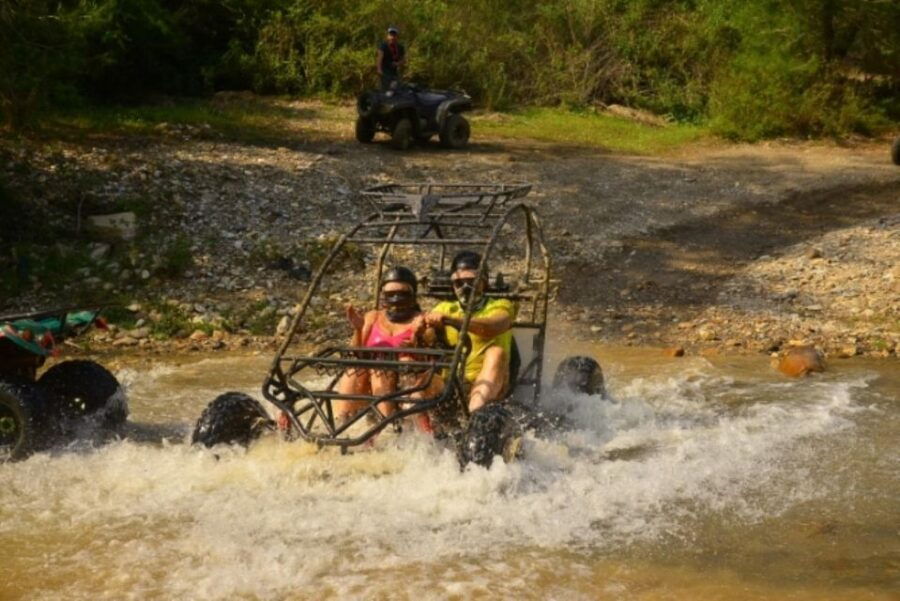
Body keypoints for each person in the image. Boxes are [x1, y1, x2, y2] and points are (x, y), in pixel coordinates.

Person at [333, 266, 439, 432]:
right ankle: (342, 425)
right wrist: (358, 330)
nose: (396, 299)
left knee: (381, 368)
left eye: (402, 293)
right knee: (354, 370)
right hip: (374, 381)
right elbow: (358, 353)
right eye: (390, 294)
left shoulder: (422, 320)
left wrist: (416, 339)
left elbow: (431, 349)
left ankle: (389, 426)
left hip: (409, 379)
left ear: (412, 294)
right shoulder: (372, 317)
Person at [426, 251, 516, 413]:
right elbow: (426, 339)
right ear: (452, 285)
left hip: (493, 385)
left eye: (472, 282)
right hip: (451, 384)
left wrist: (454, 321)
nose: (466, 288)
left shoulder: (500, 305)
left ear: (484, 282)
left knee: (496, 352)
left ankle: (476, 413)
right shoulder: (445, 308)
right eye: (459, 283)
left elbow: (493, 327)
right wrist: (424, 329)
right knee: (421, 372)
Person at [376, 26, 406, 91]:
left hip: (394, 72)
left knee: (395, 89)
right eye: (391, 35)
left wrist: (397, 64)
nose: (392, 37)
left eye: (394, 35)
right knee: (385, 89)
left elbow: (404, 60)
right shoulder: (383, 46)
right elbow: (379, 58)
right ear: (387, 36)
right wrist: (379, 69)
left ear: (397, 37)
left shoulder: (400, 47)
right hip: (385, 71)